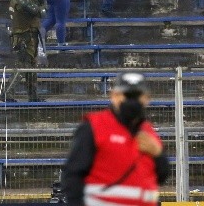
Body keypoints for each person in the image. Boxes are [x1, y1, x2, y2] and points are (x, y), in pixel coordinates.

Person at [62, 72, 170, 206]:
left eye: (137, 96)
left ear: (147, 98)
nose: (132, 101)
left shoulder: (149, 132)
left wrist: (158, 154)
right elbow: (73, 175)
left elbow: (162, 175)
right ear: (113, 96)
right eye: (126, 95)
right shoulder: (94, 126)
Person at [5, 0, 46, 102]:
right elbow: (39, 12)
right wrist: (43, 4)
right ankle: (7, 93)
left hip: (30, 36)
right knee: (22, 67)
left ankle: (33, 96)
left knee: (31, 67)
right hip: (24, 37)